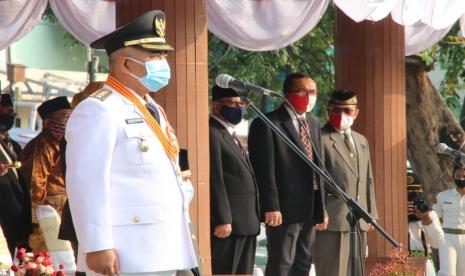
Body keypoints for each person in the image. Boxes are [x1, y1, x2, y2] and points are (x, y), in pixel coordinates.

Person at [65, 10, 197, 275]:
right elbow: (87, 183)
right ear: (126, 64)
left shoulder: (151, 107)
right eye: (154, 56)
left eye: (163, 56)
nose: (163, 63)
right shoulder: (99, 109)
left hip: (162, 244)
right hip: (125, 251)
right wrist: (96, 245)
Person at [248, 73, 326, 276]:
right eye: (303, 91)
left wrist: (322, 207)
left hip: (311, 205)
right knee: (282, 263)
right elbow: (265, 171)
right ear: (287, 94)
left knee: (303, 263)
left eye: (313, 92)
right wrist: (271, 206)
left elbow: (319, 166)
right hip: (284, 208)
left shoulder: (314, 123)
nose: (310, 96)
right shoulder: (267, 123)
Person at [313, 90, 379, 276]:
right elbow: (315, 180)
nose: (341, 115)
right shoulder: (320, 137)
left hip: (359, 218)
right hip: (332, 219)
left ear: (356, 113)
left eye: (347, 110)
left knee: (356, 272)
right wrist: (319, 211)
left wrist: (371, 212)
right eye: (336, 110)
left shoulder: (361, 140)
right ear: (328, 111)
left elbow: (368, 179)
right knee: (333, 272)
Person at [209, 85, 260, 275]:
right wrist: (223, 219)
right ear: (217, 106)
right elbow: (215, 178)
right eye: (233, 104)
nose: (238, 108)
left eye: (241, 104)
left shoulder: (230, 134)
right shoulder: (212, 133)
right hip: (230, 224)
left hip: (246, 222)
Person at [19, 96, 71, 252]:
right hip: (50, 211)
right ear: (49, 121)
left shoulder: (62, 144)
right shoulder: (42, 145)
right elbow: (35, 183)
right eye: (65, 117)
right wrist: (39, 218)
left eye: (70, 116)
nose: (69, 121)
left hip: (63, 209)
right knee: (50, 257)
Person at [0, 95, 31, 257]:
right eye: (6, 112)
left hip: (18, 217)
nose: (10, 115)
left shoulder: (15, 146)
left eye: (11, 112)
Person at [407, 171, 444, 276]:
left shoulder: (429, 214)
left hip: (424, 263)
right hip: (400, 263)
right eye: (408, 191)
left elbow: (438, 243)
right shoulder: (393, 215)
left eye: (415, 191)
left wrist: (427, 221)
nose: (412, 195)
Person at [434, 162, 465, 276]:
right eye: (458, 176)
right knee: (447, 272)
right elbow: (435, 217)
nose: (461, 178)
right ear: (453, 176)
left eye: (464, 176)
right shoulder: (443, 196)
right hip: (447, 237)